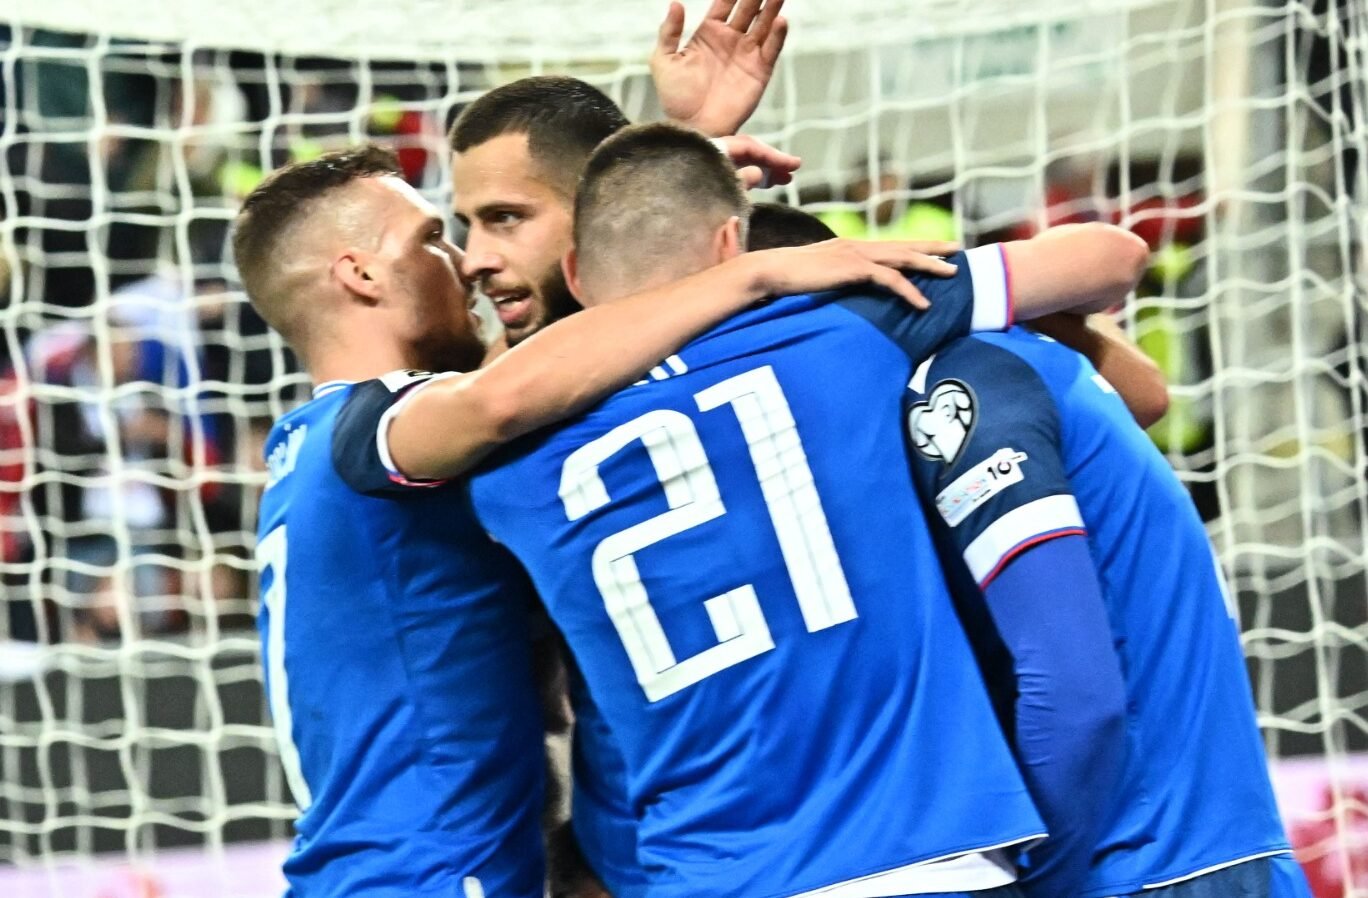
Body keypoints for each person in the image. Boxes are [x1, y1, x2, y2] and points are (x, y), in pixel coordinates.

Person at [236, 137, 963, 897]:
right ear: (358, 273)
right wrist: (752, 274)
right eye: (431, 238)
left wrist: (671, 175)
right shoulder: (392, 434)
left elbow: (553, 362)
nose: (466, 261)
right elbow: (505, 397)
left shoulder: (313, 448)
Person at [462, 122, 1149, 897]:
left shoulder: (500, 470)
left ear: (577, 275)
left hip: (702, 877)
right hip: (920, 858)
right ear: (736, 247)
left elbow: (498, 392)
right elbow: (1114, 259)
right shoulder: (844, 330)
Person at [900, 271, 1314, 895]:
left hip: (1135, 866)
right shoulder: (1029, 355)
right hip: (1221, 854)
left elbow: (1078, 697)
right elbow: (1147, 393)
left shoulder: (962, 382)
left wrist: (1044, 882)